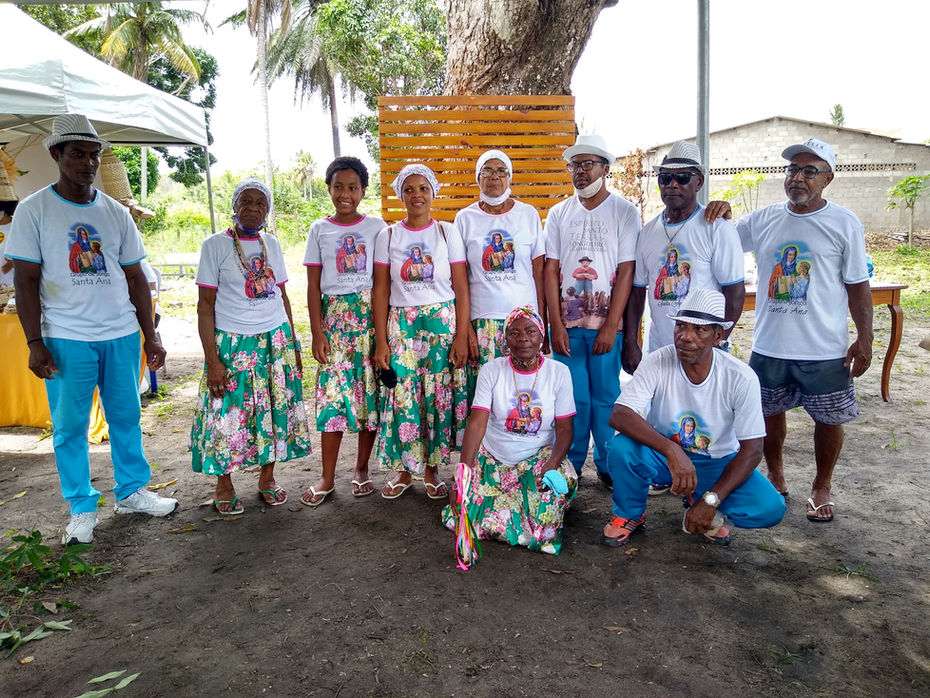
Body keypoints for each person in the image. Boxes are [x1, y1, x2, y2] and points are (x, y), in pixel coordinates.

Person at [5, 114, 177, 545]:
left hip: (119, 333)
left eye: (93, 154)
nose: (87, 162)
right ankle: (81, 507)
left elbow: (136, 277)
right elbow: (24, 281)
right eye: (77, 154)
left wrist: (150, 334)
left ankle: (133, 491)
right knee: (69, 427)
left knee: (126, 416)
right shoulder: (34, 210)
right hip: (65, 336)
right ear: (56, 155)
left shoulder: (115, 212)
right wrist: (34, 342)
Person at [706, 137, 873, 523]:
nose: (798, 178)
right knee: (767, 415)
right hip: (771, 345)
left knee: (829, 420)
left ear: (827, 179)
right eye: (792, 170)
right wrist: (723, 212)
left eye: (809, 171)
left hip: (825, 349)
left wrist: (865, 338)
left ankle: (821, 485)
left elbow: (857, 286)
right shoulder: (763, 220)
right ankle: (776, 475)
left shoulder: (845, 223)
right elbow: (723, 239)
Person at [601, 289, 786, 548]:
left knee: (770, 507)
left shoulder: (740, 378)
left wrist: (712, 500)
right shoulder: (657, 361)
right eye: (681, 326)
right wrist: (672, 450)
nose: (686, 337)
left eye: (699, 330)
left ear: (718, 336)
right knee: (622, 448)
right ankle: (630, 514)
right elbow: (620, 414)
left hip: (718, 462)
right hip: (663, 456)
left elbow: (753, 450)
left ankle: (705, 505)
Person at [190, 177, 311, 514]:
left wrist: (295, 346)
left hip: (274, 340)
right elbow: (204, 305)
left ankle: (267, 478)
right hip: (232, 341)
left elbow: (283, 296)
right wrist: (212, 360)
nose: (253, 209)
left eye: (261, 203)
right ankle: (224, 484)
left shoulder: (271, 243)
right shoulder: (214, 246)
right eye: (247, 201)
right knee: (226, 412)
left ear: (268, 210)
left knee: (274, 407)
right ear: (234, 206)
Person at [545, 134, 640, 486]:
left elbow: (627, 271)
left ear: (605, 168)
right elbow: (551, 269)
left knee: (605, 397)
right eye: (575, 165)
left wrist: (610, 325)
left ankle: (606, 462)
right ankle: (570, 464)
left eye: (588, 164)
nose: (580, 172)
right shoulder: (558, 214)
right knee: (574, 397)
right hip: (568, 326)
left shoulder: (624, 212)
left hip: (605, 326)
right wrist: (555, 322)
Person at [442, 307, 577, 555]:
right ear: (506, 339)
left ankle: (521, 506)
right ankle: (510, 507)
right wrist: (463, 475)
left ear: (542, 337)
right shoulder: (491, 370)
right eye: (514, 333)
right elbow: (477, 424)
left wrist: (553, 463)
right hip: (494, 459)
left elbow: (565, 428)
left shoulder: (559, 373)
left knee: (553, 492)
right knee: (462, 509)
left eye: (530, 331)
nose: (523, 338)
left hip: (538, 459)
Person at [373, 164, 470, 500]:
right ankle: (403, 470)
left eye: (423, 188)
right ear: (401, 194)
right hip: (402, 326)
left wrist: (461, 335)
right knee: (403, 395)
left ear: (433, 193)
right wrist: (381, 341)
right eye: (409, 189)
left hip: (441, 327)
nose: (417, 195)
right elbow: (381, 290)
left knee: (435, 397)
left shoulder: (447, 232)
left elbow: (460, 286)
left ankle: (431, 469)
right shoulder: (387, 236)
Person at [302, 157, 385, 505]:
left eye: (353, 187)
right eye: (339, 187)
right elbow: (312, 286)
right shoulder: (319, 230)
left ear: (363, 191)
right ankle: (326, 476)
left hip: (368, 321)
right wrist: (317, 333)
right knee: (332, 400)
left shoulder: (378, 227)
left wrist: (382, 337)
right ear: (329, 189)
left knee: (369, 398)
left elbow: (383, 283)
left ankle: (362, 469)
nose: (345, 194)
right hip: (334, 324)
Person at [622, 141, 744, 377]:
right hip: (660, 349)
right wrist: (631, 342)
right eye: (665, 178)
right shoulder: (648, 232)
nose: (672, 185)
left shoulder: (716, 228)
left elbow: (735, 292)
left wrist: (716, 342)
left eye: (682, 178)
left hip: (703, 350)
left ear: (699, 181)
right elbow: (637, 292)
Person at [454, 150, 546, 399]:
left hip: (524, 323)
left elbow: (539, 272)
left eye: (501, 171)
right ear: (478, 178)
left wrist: (542, 322)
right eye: (487, 171)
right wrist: (466, 331)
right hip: (482, 322)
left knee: (519, 394)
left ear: (510, 177)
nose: (494, 177)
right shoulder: (465, 219)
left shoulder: (528, 215)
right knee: (484, 396)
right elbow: (459, 278)